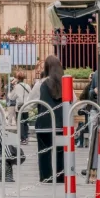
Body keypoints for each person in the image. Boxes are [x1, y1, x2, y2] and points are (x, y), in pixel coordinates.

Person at [36, 55, 65, 185]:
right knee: (61, 151)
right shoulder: (65, 82)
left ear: (46, 67)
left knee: (44, 151)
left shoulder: (41, 83)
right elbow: (74, 101)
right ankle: (61, 176)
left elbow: (30, 101)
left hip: (44, 123)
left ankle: (46, 177)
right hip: (61, 123)